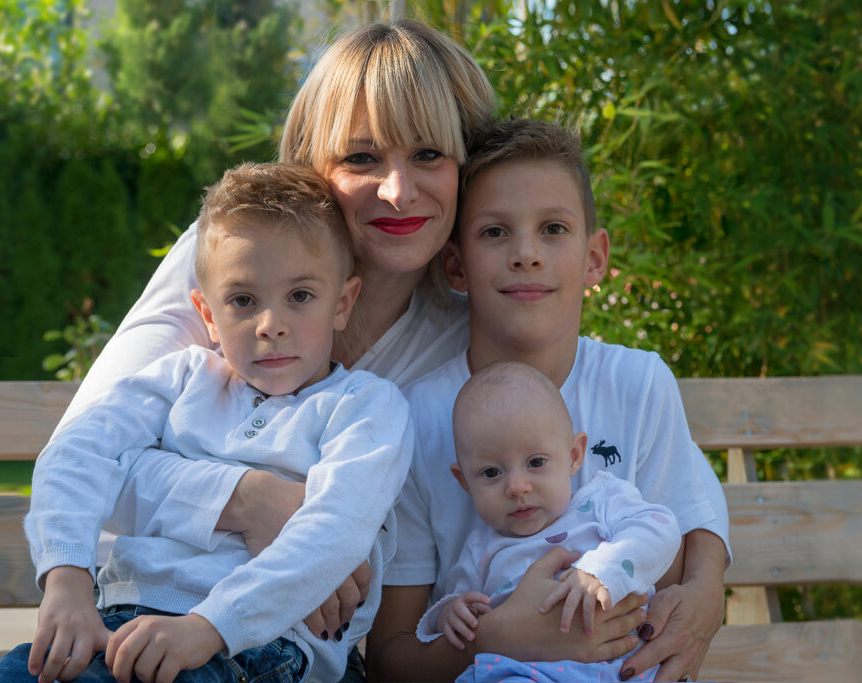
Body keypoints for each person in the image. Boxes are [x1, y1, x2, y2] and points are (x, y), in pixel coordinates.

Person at [37, 19, 728, 682]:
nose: (398, 191)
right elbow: (90, 448)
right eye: (361, 157)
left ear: (464, 169)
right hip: (148, 609)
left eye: (428, 154)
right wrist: (254, 501)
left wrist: (705, 586)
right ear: (313, 162)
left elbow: (657, 461)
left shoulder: (470, 314)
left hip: (292, 652)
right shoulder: (240, 258)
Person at [0, 163, 414, 683]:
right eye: (243, 300)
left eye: (300, 296)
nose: (271, 325)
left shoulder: (365, 408)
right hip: (121, 618)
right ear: (207, 315)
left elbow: (335, 533)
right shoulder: (182, 379)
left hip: (258, 647)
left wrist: (208, 627)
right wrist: (68, 582)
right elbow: (78, 449)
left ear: (342, 303)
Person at [374, 118, 731, 682]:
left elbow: (661, 591)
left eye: (554, 229)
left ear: (595, 258)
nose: (526, 254)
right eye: (495, 232)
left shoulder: (637, 385)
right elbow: (388, 661)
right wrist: (491, 640)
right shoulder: (418, 416)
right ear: (456, 265)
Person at [419, 361, 682, 683]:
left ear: (574, 456)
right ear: (465, 482)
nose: (517, 487)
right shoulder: (479, 549)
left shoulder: (602, 501)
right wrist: (449, 612)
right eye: (491, 472)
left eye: (536, 462)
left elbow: (660, 526)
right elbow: (464, 613)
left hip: (623, 667)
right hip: (527, 674)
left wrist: (600, 570)